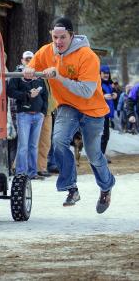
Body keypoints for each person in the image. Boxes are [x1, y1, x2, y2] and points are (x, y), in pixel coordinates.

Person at [24, 17, 115, 213]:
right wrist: (28, 71)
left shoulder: (87, 56)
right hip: (67, 106)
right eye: (55, 37)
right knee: (58, 141)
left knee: (93, 155)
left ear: (72, 36)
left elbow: (86, 91)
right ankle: (71, 188)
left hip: (93, 110)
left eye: (62, 37)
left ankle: (106, 186)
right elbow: (31, 65)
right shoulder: (46, 51)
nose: (58, 42)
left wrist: (59, 77)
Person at [7, 51, 48, 180]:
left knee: (33, 145)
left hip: (38, 115)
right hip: (24, 114)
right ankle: (21, 172)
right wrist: (27, 96)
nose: (29, 61)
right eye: (27, 59)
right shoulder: (17, 74)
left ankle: (32, 172)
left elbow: (45, 95)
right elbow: (11, 91)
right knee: (23, 145)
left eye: (31, 59)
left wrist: (43, 112)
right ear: (22, 60)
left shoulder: (39, 75)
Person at [100, 65, 116, 159]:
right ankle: (100, 156)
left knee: (106, 136)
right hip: (99, 114)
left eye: (107, 73)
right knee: (102, 136)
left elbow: (114, 91)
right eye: (104, 73)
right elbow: (92, 96)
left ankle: (102, 155)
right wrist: (103, 97)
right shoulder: (98, 83)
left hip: (107, 114)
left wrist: (114, 94)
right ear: (100, 73)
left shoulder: (109, 83)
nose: (106, 75)